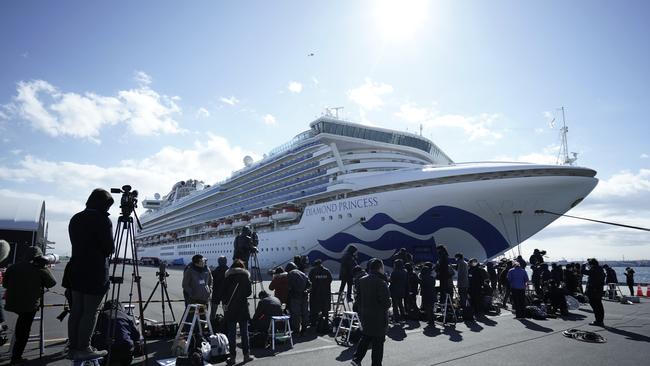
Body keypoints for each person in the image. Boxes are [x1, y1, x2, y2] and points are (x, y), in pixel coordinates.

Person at [66, 188, 115, 360]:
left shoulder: (76, 218)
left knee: (76, 310)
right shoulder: (102, 220)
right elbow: (109, 248)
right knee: (90, 311)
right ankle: (84, 348)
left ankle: (73, 348)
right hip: (95, 270)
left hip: (76, 269)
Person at [3, 247, 57, 364]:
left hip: (12, 303)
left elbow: (5, 284)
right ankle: (16, 357)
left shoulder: (13, 267)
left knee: (21, 326)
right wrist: (44, 268)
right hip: (28, 306)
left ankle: (16, 354)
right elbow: (52, 283)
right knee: (23, 331)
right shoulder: (39, 269)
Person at [351, 258, 391, 366]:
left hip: (365, 315)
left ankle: (356, 359)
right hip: (378, 318)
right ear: (380, 268)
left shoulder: (362, 280)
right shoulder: (381, 282)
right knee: (378, 344)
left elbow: (358, 298)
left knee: (366, 337)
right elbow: (386, 303)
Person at [222, 259, 254, 364]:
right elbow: (248, 292)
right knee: (244, 333)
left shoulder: (227, 277)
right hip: (242, 307)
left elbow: (224, 293)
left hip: (231, 308)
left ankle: (232, 357)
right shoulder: (245, 277)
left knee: (232, 333)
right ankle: (246, 355)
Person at [93, 300, 142, 366]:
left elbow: (93, 332)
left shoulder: (101, 315)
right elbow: (137, 335)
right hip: (126, 349)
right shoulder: (126, 316)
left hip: (107, 351)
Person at [286, 261, 310, 335]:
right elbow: (309, 284)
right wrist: (306, 291)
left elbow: (289, 287)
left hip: (295, 296)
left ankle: (296, 330)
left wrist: (288, 298)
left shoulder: (290, 274)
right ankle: (304, 329)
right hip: (304, 296)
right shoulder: (302, 273)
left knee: (295, 314)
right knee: (304, 313)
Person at [308, 259, 333, 326]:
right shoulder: (327, 271)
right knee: (325, 309)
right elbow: (330, 280)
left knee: (314, 309)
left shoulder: (312, 271)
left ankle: (314, 323)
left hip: (315, 293)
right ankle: (325, 322)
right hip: (325, 293)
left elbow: (309, 281)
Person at [582, 258, 605, 326]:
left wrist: (583, 265)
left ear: (591, 264)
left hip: (593, 291)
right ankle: (600, 320)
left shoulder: (594, 270)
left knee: (595, 306)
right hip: (599, 290)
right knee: (599, 306)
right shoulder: (600, 269)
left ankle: (598, 321)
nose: (588, 266)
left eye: (588, 264)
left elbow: (583, 271)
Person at [210, 256, 228, 322]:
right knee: (226, 309)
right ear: (226, 262)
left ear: (218, 262)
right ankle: (226, 322)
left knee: (213, 309)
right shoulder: (229, 271)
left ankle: (212, 322)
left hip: (216, 292)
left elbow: (211, 281)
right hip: (226, 294)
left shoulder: (215, 271)